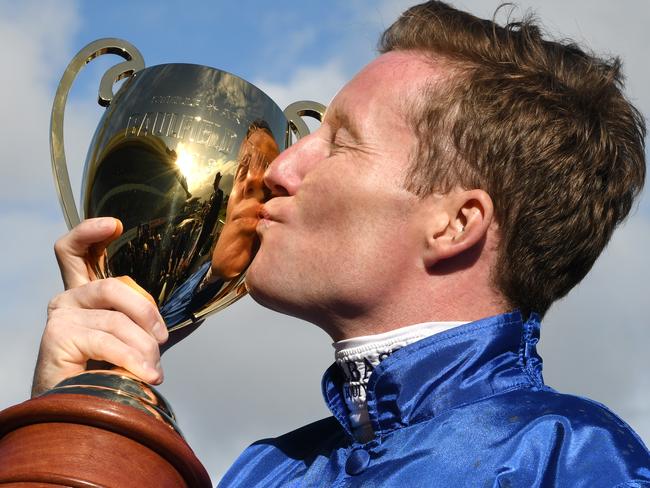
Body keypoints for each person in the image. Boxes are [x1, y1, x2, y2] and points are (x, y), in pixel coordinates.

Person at [33, 1, 649, 486]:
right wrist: (71, 430)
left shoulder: (569, 458)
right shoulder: (266, 471)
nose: (279, 168)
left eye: (341, 141)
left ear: (454, 225)